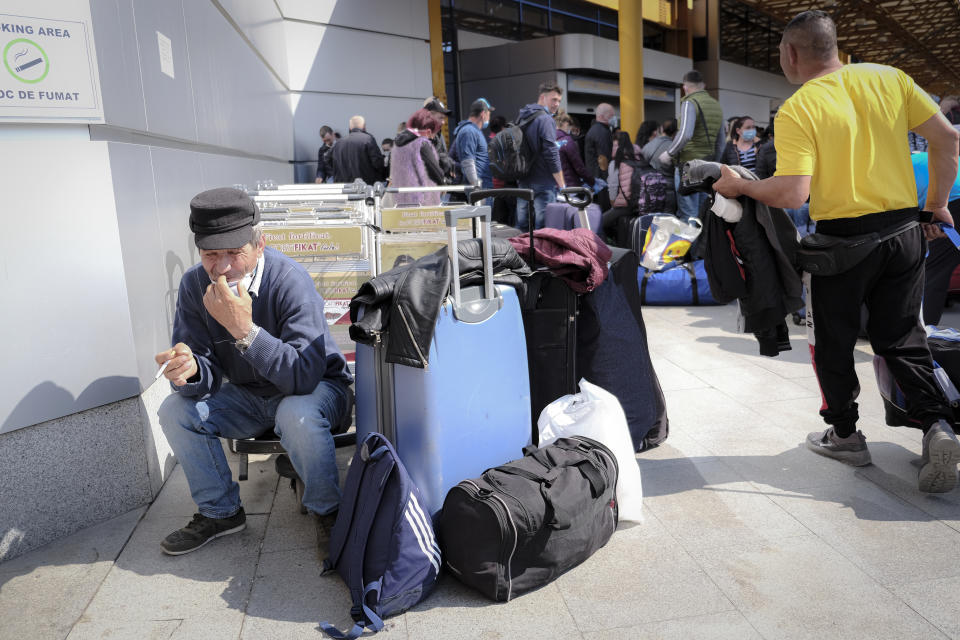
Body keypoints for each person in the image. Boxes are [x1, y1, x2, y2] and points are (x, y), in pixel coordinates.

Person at [712, 10, 960, 492]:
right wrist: (936, 207)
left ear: (790, 54)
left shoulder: (800, 107)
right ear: (837, 47)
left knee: (833, 341)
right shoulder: (890, 78)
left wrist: (741, 185)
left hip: (842, 246)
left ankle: (845, 434)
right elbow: (948, 139)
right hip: (905, 233)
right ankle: (937, 425)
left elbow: (793, 194)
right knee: (903, 337)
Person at [155, 188, 353, 555]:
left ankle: (329, 511)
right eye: (211, 255)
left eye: (235, 253)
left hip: (317, 391)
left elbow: (304, 377)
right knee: (174, 411)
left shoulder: (289, 279)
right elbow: (203, 369)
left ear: (260, 245)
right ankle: (221, 512)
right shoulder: (194, 284)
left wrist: (245, 332)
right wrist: (191, 369)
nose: (223, 266)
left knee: (296, 413)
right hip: (250, 396)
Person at [660, 70, 724, 222]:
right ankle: (704, 246)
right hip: (709, 166)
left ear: (685, 87)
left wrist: (669, 153)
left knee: (688, 215)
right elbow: (721, 142)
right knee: (704, 213)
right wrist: (715, 162)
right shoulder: (716, 105)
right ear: (704, 86)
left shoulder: (690, 102)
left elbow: (685, 134)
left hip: (689, 167)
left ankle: (690, 246)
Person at [913, 151, 960, 325]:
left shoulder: (888, 177)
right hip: (953, 202)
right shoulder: (917, 159)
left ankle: (923, 331)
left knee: (931, 271)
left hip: (954, 205)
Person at [515, 81, 566, 231]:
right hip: (543, 182)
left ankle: (519, 254)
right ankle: (537, 255)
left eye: (559, 101)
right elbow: (551, 153)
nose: (557, 104)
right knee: (543, 229)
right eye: (554, 99)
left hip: (523, 179)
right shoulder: (545, 119)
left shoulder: (522, 116)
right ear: (543, 97)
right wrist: (562, 184)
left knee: (522, 226)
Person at [387, 108, 445, 206]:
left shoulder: (396, 148)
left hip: (399, 191)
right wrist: (442, 184)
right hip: (417, 192)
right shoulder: (420, 144)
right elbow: (434, 169)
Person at [601, 130, 646, 244]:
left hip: (626, 206)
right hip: (644, 204)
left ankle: (610, 247)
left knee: (599, 222)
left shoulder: (615, 163)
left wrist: (613, 206)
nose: (613, 148)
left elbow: (612, 188)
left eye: (615, 145)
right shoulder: (640, 158)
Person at [451, 98, 494, 189]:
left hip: (484, 185)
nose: (489, 118)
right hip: (480, 188)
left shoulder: (474, 130)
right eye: (489, 114)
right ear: (483, 114)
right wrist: (476, 187)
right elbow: (468, 162)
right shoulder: (469, 131)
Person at [332, 115, 387, 184]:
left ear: (350, 127)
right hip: (366, 186)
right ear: (364, 126)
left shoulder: (338, 143)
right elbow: (378, 163)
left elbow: (335, 167)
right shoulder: (368, 139)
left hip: (345, 186)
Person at [585, 103, 616, 210]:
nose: (614, 118)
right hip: (601, 178)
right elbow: (603, 158)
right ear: (603, 116)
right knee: (603, 208)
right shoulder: (602, 132)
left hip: (594, 176)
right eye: (612, 115)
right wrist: (609, 178)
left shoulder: (595, 130)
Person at [556, 111, 595, 191]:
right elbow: (579, 167)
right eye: (570, 126)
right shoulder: (567, 141)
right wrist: (592, 181)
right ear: (566, 124)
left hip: (554, 186)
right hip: (570, 186)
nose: (570, 129)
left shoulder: (548, 141)